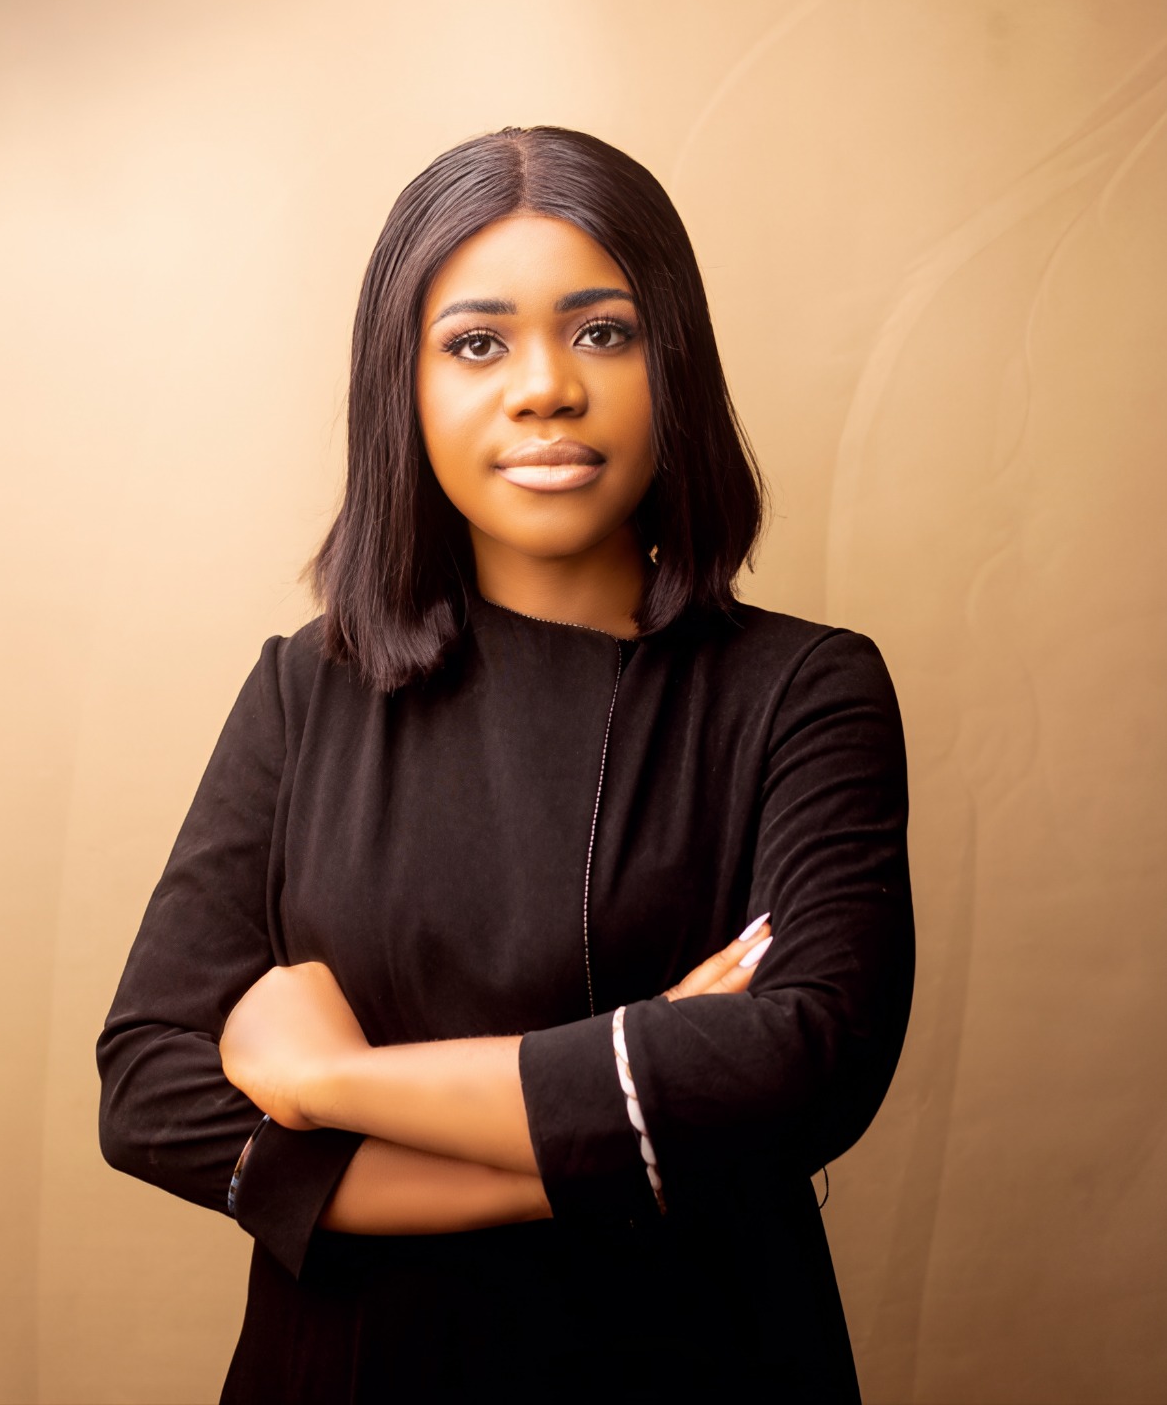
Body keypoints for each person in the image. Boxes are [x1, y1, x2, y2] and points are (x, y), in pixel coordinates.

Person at [97, 125, 914, 1403]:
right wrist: (612, 1131)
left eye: (603, 332)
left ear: (675, 367)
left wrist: (334, 1082)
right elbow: (152, 1087)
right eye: (477, 343)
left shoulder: (804, 690)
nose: (545, 388)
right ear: (404, 388)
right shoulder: (304, 690)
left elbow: (801, 1064)